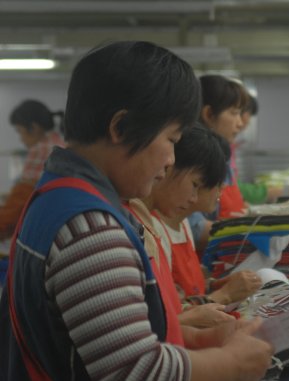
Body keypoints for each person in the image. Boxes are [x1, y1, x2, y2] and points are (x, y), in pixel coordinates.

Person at [0, 41, 272, 381]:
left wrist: (198, 337)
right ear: (121, 128)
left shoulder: (57, 196)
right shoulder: (90, 228)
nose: (172, 160)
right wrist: (231, 364)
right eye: (171, 140)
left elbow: (100, 340)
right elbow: (134, 371)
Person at [146, 125, 261, 316]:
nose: (222, 187)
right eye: (196, 183)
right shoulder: (152, 229)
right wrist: (223, 295)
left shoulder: (181, 223)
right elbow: (170, 316)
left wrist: (213, 286)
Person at [188, 74, 249, 252]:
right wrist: (246, 231)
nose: (240, 124)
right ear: (208, 114)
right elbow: (193, 226)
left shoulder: (225, 157)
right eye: (234, 113)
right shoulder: (193, 161)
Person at [0, 100, 65, 239]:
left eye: (20, 131)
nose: (21, 139)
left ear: (34, 128)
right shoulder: (60, 143)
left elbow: (20, 203)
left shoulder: (41, 149)